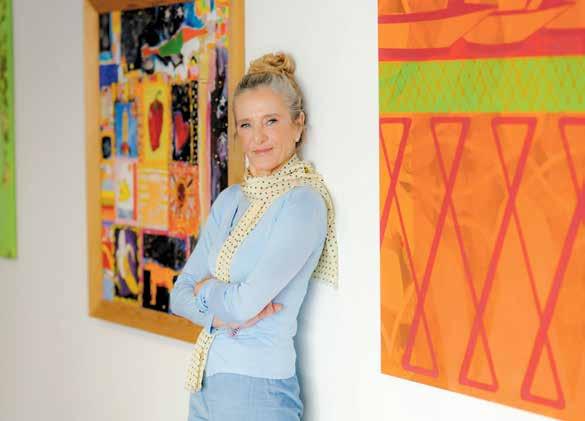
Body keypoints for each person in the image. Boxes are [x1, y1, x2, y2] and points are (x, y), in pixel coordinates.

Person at [170, 52, 338, 421]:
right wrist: (220, 316)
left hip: (257, 391)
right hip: (205, 384)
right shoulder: (231, 200)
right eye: (246, 124)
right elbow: (178, 296)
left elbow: (243, 304)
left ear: (298, 125)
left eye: (271, 121)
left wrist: (206, 292)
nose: (258, 138)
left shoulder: (302, 203)